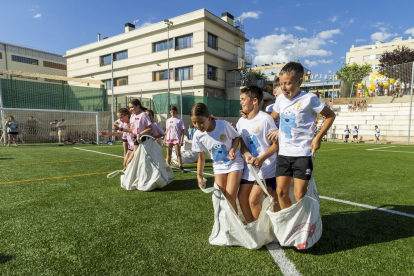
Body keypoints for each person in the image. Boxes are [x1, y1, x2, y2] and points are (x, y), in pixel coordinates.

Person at [267, 62, 336, 210]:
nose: (284, 87)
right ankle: (292, 223)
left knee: (299, 195)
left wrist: (318, 138)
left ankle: (304, 225)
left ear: (300, 81)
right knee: (281, 192)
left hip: (302, 154)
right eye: (281, 83)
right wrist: (253, 115)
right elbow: (272, 117)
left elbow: (330, 115)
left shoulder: (309, 99)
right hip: (284, 154)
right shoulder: (280, 100)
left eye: (288, 83)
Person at [191, 103, 244, 214]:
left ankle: (236, 226)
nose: (197, 125)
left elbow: (236, 137)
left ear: (209, 118)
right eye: (194, 122)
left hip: (234, 163)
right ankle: (228, 225)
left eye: (201, 122)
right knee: (222, 197)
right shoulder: (197, 136)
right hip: (219, 167)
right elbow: (201, 158)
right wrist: (199, 176)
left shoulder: (223, 125)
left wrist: (232, 150)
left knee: (230, 197)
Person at [237, 85, 279, 223]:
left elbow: (276, 145)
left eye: (243, 99)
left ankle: (262, 233)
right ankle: (253, 228)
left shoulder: (265, 119)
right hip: (249, 167)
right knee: (242, 198)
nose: (241, 102)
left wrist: (261, 158)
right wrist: (246, 154)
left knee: (253, 201)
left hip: (266, 167)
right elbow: (242, 144)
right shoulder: (241, 122)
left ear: (254, 101)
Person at [125, 99, 153, 166]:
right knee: (136, 157)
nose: (131, 109)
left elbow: (149, 128)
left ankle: (127, 169)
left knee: (138, 157)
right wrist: (121, 128)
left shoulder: (144, 115)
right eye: (129, 107)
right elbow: (132, 129)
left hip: (143, 138)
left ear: (138, 106)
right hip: (136, 138)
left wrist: (140, 134)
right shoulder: (132, 116)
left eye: (132, 107)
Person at [165, 106, 185, 173]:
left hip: (176, 139)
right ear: (170, 112)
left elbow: (182, 132)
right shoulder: (168, 120)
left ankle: (181, 167)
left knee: (178, 153)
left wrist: (181, 140)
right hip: (169, 138)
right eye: (171, 112)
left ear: (176, 112)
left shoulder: (179, 120)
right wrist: (165, 139)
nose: (172, 113)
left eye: (174, 111)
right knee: (168, 154)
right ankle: (167, 167)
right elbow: (167, 130)